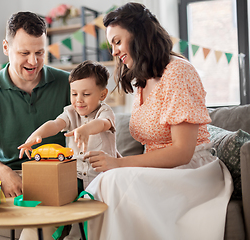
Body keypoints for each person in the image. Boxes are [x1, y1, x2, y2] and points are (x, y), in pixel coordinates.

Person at [84, 3, 233, 240]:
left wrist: (121, 165)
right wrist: (117, 160)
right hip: (161, 170)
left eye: (117, 41)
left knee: (112, 180)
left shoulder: (178, 72)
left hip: (192, 171)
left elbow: (182, 152)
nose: (113, 52)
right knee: (105, 180)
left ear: (139, 35)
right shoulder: (142, 80)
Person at [0, 11, 71, 240]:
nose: (33, 62)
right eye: (24, 53)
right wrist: (3, 171)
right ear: (6, 47)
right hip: (8, 177)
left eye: (40, 52)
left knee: (37, 229)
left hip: (55, 177)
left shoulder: (67, 84)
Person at [18, 60, 117, 240]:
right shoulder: (71, 112)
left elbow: (103, 124)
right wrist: (36, 135)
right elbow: (56, 124)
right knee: (62, 207)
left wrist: (86, 129)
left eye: (86, 94)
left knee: (94, 221)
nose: (79, 99)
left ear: (102, 94)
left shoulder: (105, 112)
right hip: (75, 177)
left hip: (101, 179)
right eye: (74, 93)